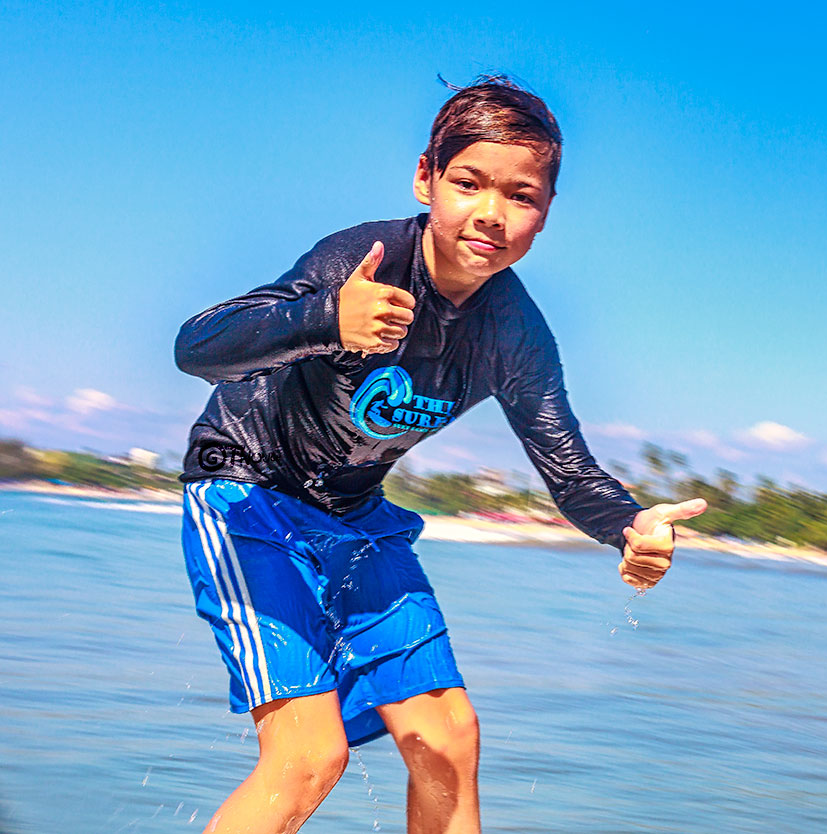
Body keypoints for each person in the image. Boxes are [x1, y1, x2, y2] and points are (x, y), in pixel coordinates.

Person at [174, 76, 707, 834]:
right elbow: (196, 345)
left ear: (545, 217)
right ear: (426, 177)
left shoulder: (516, 334)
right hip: (247, 495)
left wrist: (631, 528)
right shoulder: (363, 262)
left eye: (521, 197)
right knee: (308, 756)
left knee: (449, 740)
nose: (492, 212)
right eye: (468, 183)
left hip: (357, 519)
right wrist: (326, 317)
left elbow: (569, 469)